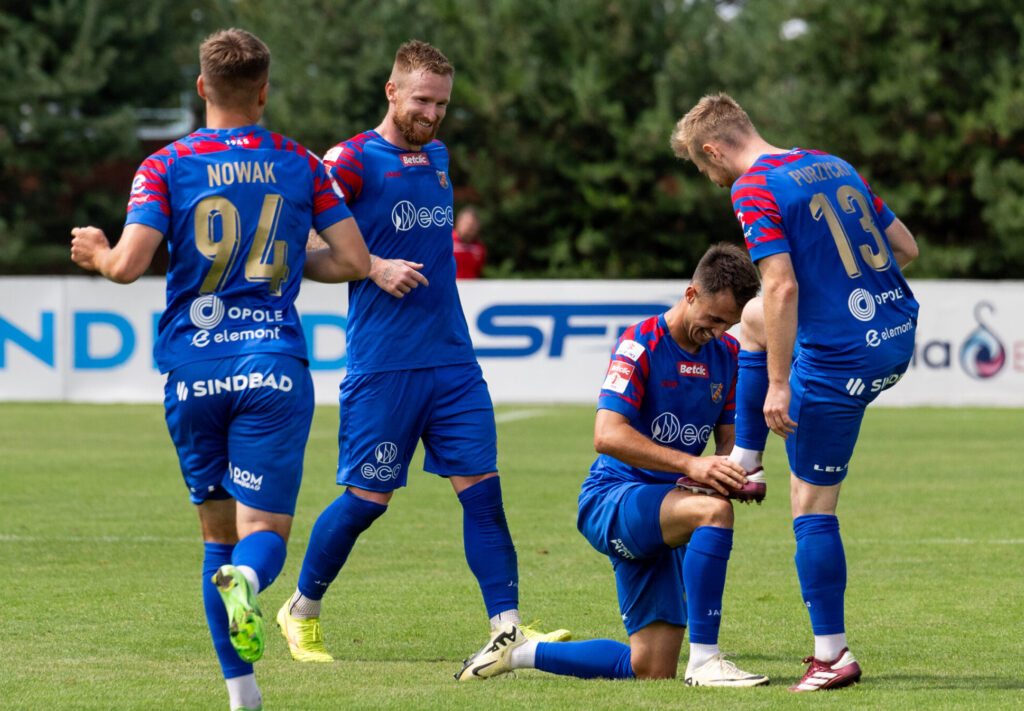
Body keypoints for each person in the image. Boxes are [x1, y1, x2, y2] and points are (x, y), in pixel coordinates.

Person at [70, 28, 370, 711]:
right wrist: (293, 263)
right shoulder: (299, 164)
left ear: (202, 88)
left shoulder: (164, 165)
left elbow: (126, 266)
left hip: (191, 371)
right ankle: (249, 582)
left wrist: (93, 251)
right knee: (261, 538)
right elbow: (352, 260)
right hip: (271, 366)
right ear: (264, 93)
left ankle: (243, 695)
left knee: (216, 536)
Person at [276, 40, 568, 664]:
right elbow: (295, 250)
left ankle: (508, 627)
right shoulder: (350, 161)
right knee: (366, 501)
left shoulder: (436, 156)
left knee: (483, 494)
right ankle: (300, 608)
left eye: (441, 104)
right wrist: (371, 265)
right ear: (390, 91)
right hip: (384, 364)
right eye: (421, 101)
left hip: (454, 363)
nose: (432, 115)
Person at [671, 93, 919, 691]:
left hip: (841, 361)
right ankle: (745, 459)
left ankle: (832, 656)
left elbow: (781, 287)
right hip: (897, 331)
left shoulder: (752, 188)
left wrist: (778, 385)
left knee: (810, 507)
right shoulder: (832, 165)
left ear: (713, 149)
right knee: (751, 320)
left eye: (704, 168)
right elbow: (906, 248)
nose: (711, 178)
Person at [456, 243, 769, 686]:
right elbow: (607, 434)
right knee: (713, 513)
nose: (718, 331)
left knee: (651, 668)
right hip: (613, 500)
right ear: (691, 294)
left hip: (666, 511)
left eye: (729, 324)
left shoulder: (727, 356)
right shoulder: (641, 343)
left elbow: (728, 440)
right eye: (713, 319)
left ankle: (520, 652)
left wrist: (736, 471)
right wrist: (693, 467)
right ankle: (706, 661)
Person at [452, 205, 486, 278]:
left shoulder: (479, 248)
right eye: (467, 224)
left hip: (472, 287)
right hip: (451, 286)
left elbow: (479, 270)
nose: (470, 228)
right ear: (458, 222)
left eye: (473, 225)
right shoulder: (448, 241)